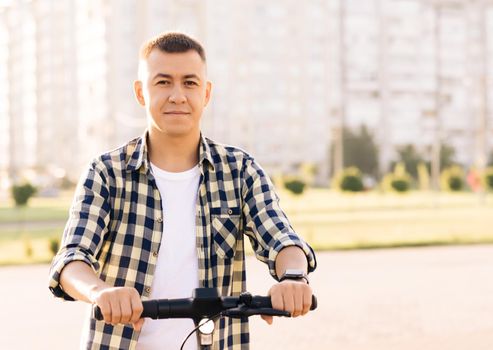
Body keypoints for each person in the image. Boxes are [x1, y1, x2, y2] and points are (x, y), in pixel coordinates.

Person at [48, 32, 317, 350]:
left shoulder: (240, 170)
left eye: (189, 83)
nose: (177, 95)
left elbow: (283, 241)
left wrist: (294, 278)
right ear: (140, 92)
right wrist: (100, 292)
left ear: (206, 93)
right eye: (163, 82)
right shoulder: (106, 173)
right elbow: (71, 259)